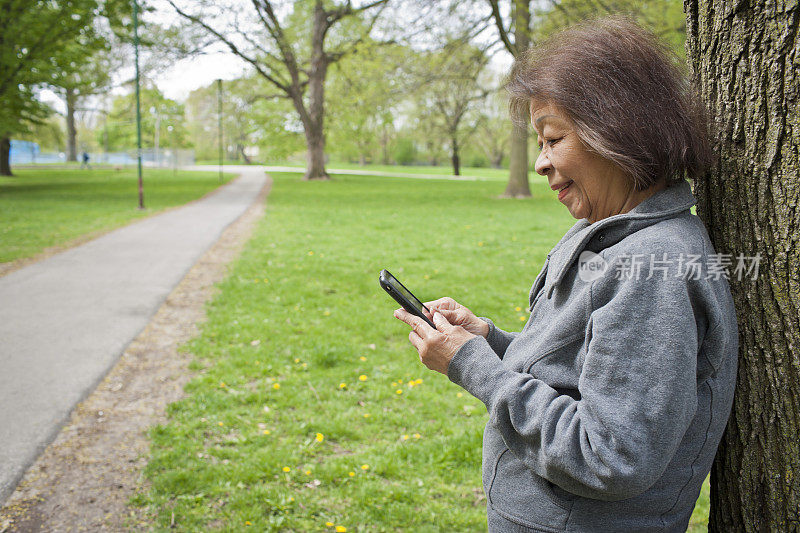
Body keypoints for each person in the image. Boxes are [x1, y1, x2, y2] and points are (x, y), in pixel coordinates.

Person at [393, 15, 739, 533]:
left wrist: (474, 368)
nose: (540, 164)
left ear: (618, 131)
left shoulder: (654, 268)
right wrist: (489, 341)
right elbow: (580, 377)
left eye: (554, 139)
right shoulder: (607, 233)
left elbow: (610, 455)